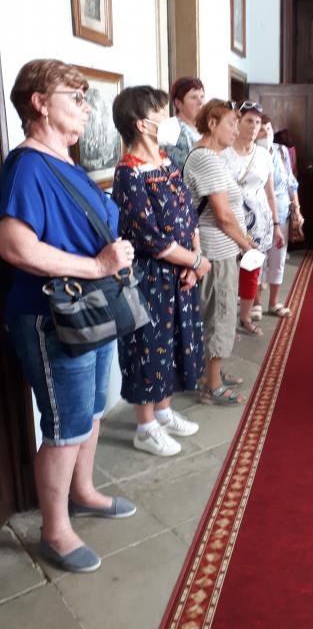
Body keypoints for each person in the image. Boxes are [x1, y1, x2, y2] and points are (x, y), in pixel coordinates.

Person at [0, 59, 136, 574]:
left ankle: (83, 492)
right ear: (39, 103)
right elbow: (16, 247)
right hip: (52, 315)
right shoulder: (27, 166)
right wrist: (98, 265)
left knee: (93, 411)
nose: (85, 107)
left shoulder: (66, 164)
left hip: (90, 307)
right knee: (65, 425)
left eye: (85, 98)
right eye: (75, 97)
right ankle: (54, 530)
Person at [112, 86, 211, 457]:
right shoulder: (129, 174)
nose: (168, 119)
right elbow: (151, 239)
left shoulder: (166, 162)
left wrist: (195, 257)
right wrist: (195, 262)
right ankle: (145, 426)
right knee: (148, 347)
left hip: (180, 272)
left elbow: (188, 212)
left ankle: (165, 412)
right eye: (160, 113)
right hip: (150, 277)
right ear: (142, 124)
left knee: (175, 343)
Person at [183, 99, 253, 405]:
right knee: (220, 315)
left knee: (215, 312)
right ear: (212, 123)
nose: (235, 130)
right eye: (231, 124)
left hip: (220, 247)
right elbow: (222, 215)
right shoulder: (207, 159)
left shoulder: (211, 156)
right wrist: (246, 243)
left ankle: (210, 373)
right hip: (216, 249)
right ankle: (212, 386)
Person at [222, 101, 284, 335]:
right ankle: (225, 321)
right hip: (229, 220)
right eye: (249, 120)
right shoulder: (223, 154)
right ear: (238, 122)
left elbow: (270, 193)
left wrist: (276, 225)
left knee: (251, 270)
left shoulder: (264, 155)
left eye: (258, 122)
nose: (254, 126)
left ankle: (246, 317)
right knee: (227, 272)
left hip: (259, 223)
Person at [255, 114, 303, 317]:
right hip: (257, 215)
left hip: (282, 212)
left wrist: (297, 208)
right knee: (257, 259)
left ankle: (274, 302)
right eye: (261, 129)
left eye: (268, 128)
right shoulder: (250, 153)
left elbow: (291, 182)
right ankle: (255, 302)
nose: (265, 133)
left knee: (278, 259)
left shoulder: (282, 151)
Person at [166, 77, 205, 169]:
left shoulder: (205, 128)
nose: (200, 102)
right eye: (193, 97)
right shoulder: (173, 129)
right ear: (178, 103)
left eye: (202, 97)